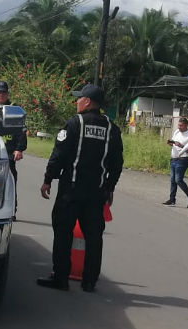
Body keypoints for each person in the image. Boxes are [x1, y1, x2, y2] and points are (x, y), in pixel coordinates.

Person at [37, 84, 123, 292]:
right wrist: (110, 187)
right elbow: (117, 162)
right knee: (94, 237)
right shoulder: (112, 128)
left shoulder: (75, 124)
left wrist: (48, 179)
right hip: (96, 193)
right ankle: (89, 281)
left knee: (63, 233)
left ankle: (61, 278)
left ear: (87, 102)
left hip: (71, 192)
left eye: (79, 98)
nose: (76, 101)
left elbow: (59, 155)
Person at [0, 80, 27, 221]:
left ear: (7, 94)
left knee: (10, 182)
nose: (1, 95)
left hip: (8, 151)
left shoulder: (14, 109)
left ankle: (11, 211)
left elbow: (22, 130)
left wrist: (19, 149)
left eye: (4, 92)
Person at [162, 117, 188, 208]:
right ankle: (172, 199)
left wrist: (182, 146)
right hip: (173, 158)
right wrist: (170, 143)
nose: (179, 127)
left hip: (182, 160)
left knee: (178, 180)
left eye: (181, 125)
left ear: (186, 125)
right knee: (173, 180)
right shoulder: (177, 132)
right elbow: (173, 143)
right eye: (178, 125)